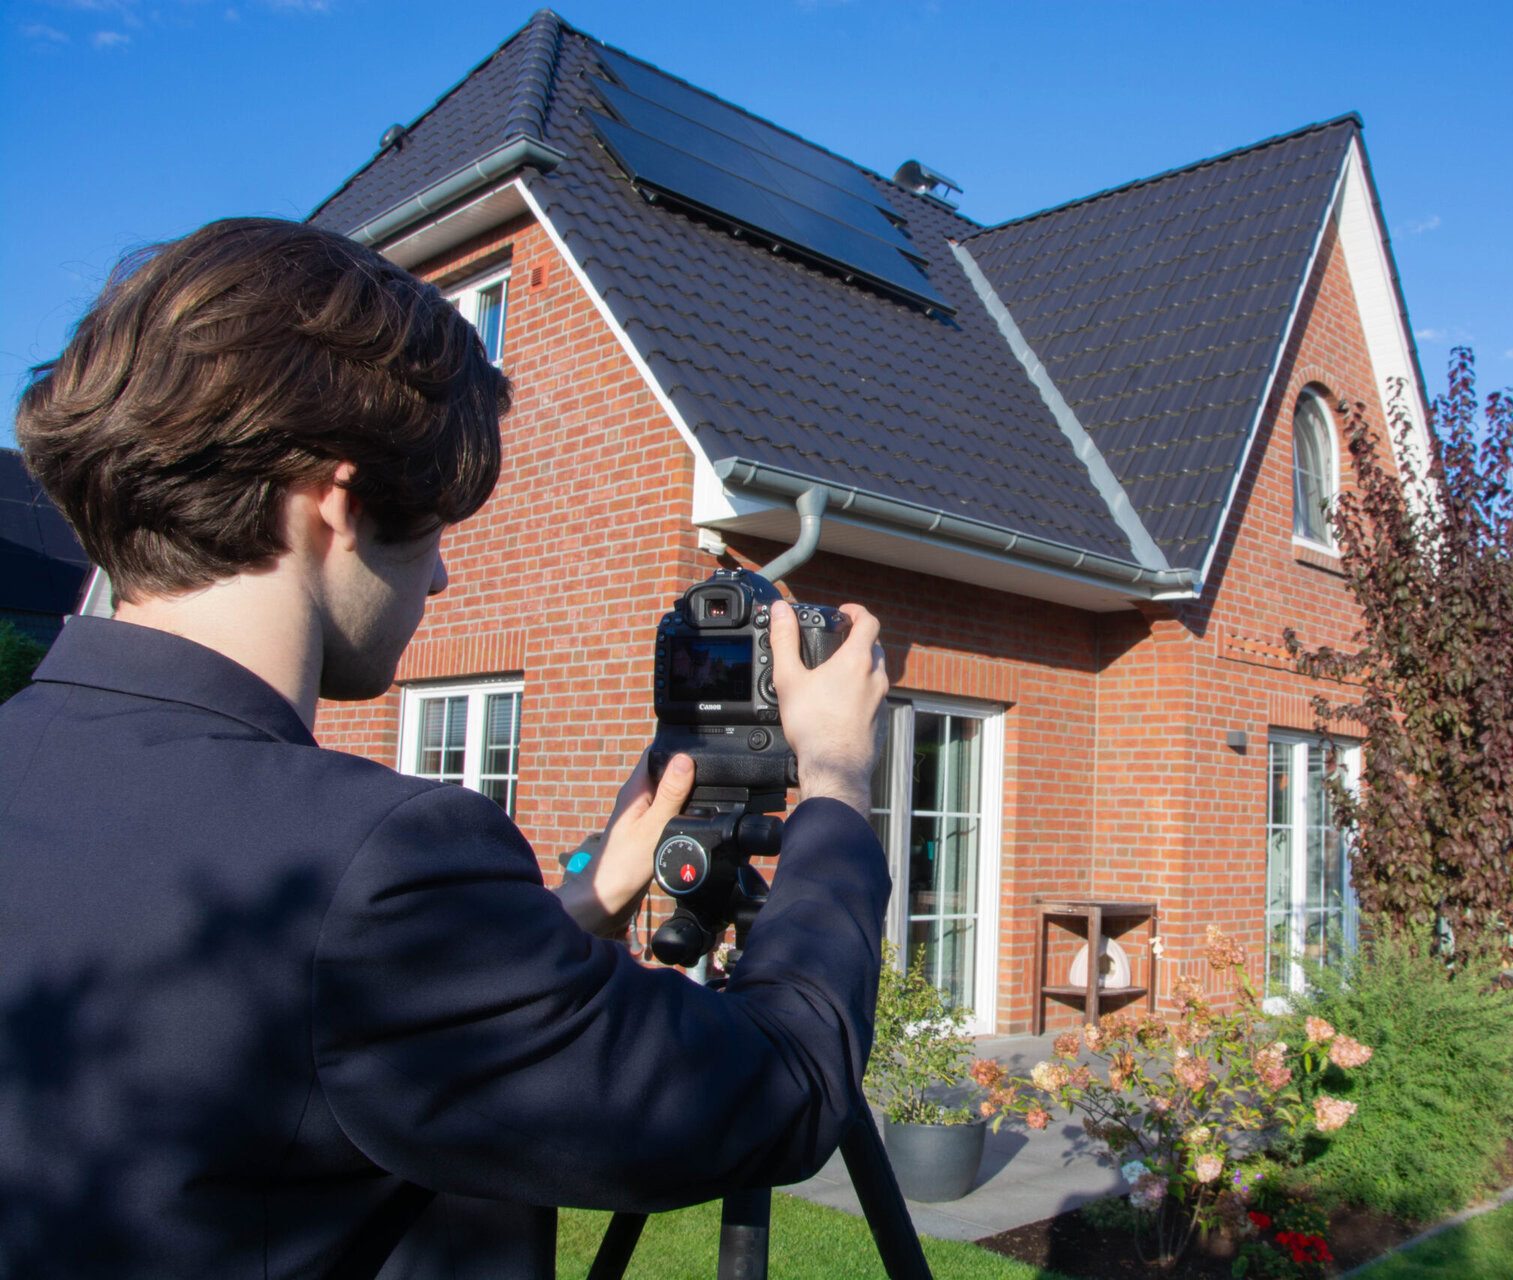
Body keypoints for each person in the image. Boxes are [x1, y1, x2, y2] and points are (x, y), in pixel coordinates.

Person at [0, 218, 892, 1278]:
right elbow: (777, 1090)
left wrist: (572, 914)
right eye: (430, 532)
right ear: (334, 504)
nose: (439, 582)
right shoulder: (369, 858)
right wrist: (834, 782)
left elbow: (313, 1040)